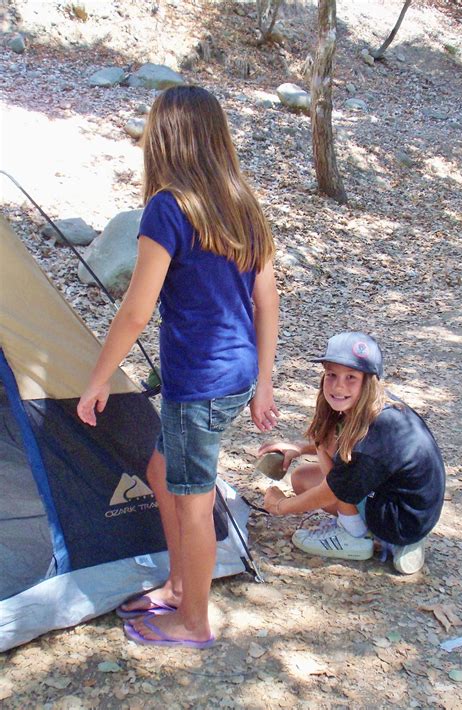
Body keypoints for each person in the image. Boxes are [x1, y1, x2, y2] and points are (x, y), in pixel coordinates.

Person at [77, 86, 279, 647]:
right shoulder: (241, 203)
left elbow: (136, 310)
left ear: (165, 140)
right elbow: (267, 301)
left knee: (194, 498)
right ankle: (177, 585)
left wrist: (97, 379)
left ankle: (194, 622)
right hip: (231, 378)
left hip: (199, 385)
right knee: (165, 475)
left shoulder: (168, 208)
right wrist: (260, 384)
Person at [260, 332, 445, 575]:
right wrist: (298, 449)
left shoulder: (378, 434)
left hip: (402, 518)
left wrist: (280, 506)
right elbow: (333, 445)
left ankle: (356, 537)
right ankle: (388, 538)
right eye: (332, 375)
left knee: (331, 483)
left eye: (351, 378)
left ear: (369, 381)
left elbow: (330, 491)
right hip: (406, 504)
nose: (338, 385)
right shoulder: (376, 405)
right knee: (302, 478)